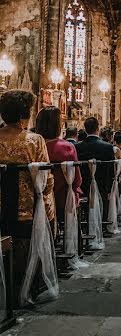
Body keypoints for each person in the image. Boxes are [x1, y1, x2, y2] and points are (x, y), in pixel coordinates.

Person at [0, 90, 56, 300]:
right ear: (25, 114)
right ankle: (27, 284)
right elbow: (46, 181)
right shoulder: (34, 141)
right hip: (25, 211)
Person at [36, 106, 82, 223]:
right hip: (62, 199)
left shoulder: (34, 145)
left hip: (36, 200)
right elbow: (76, 180)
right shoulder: (66, 147)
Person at [76, 117, 115, 218]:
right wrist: (110, 187)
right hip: (102, 184)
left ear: (85, 129)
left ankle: (84, 218)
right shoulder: (107, 147)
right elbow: (111, 169)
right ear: (98, 128)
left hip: (83, 184)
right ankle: (103, 220)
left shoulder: (78, 146)